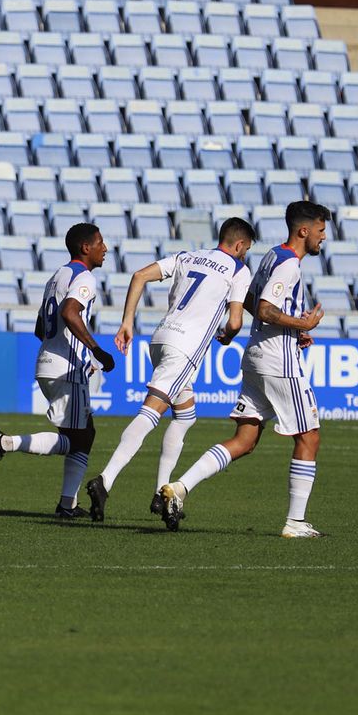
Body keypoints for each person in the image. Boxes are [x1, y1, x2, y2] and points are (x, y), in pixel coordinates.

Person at [159, 201, 330, 538]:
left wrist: (294, 330)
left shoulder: (270, 256)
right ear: (304, 230)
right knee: (309, 437)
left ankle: (179, 487)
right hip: (279, 361)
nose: (324, 238)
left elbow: (252, 301)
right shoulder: (290, 266)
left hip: (255, 356)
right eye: (321, 231)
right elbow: (265, 308)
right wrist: (300, 322)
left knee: (246, 438)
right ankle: (295, 523)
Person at [84, 218, 256, 522]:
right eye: (246, 251)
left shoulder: (186, 257)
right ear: (240, 246)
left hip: (160, 337)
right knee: (151, 411)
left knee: (185, 416)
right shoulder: (239, 270)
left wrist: (127, 322)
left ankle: (162, 493)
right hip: (185, 348)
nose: (244, 256)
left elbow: (139, 276)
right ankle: (105, 480)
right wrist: (228, 336)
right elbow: (235, 322)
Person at [0, 222, 115, 519]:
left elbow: (42, 327)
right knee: (78, 440)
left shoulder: (56, 276)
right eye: (101, 242)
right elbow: (69, 311)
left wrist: (63, 349)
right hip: (66, 369)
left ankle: (67, 505)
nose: (106, 248)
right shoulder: (84, 277)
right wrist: (95, 349)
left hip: (48, 363)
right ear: (85, 247)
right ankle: (5, 442)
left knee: (83, 435)